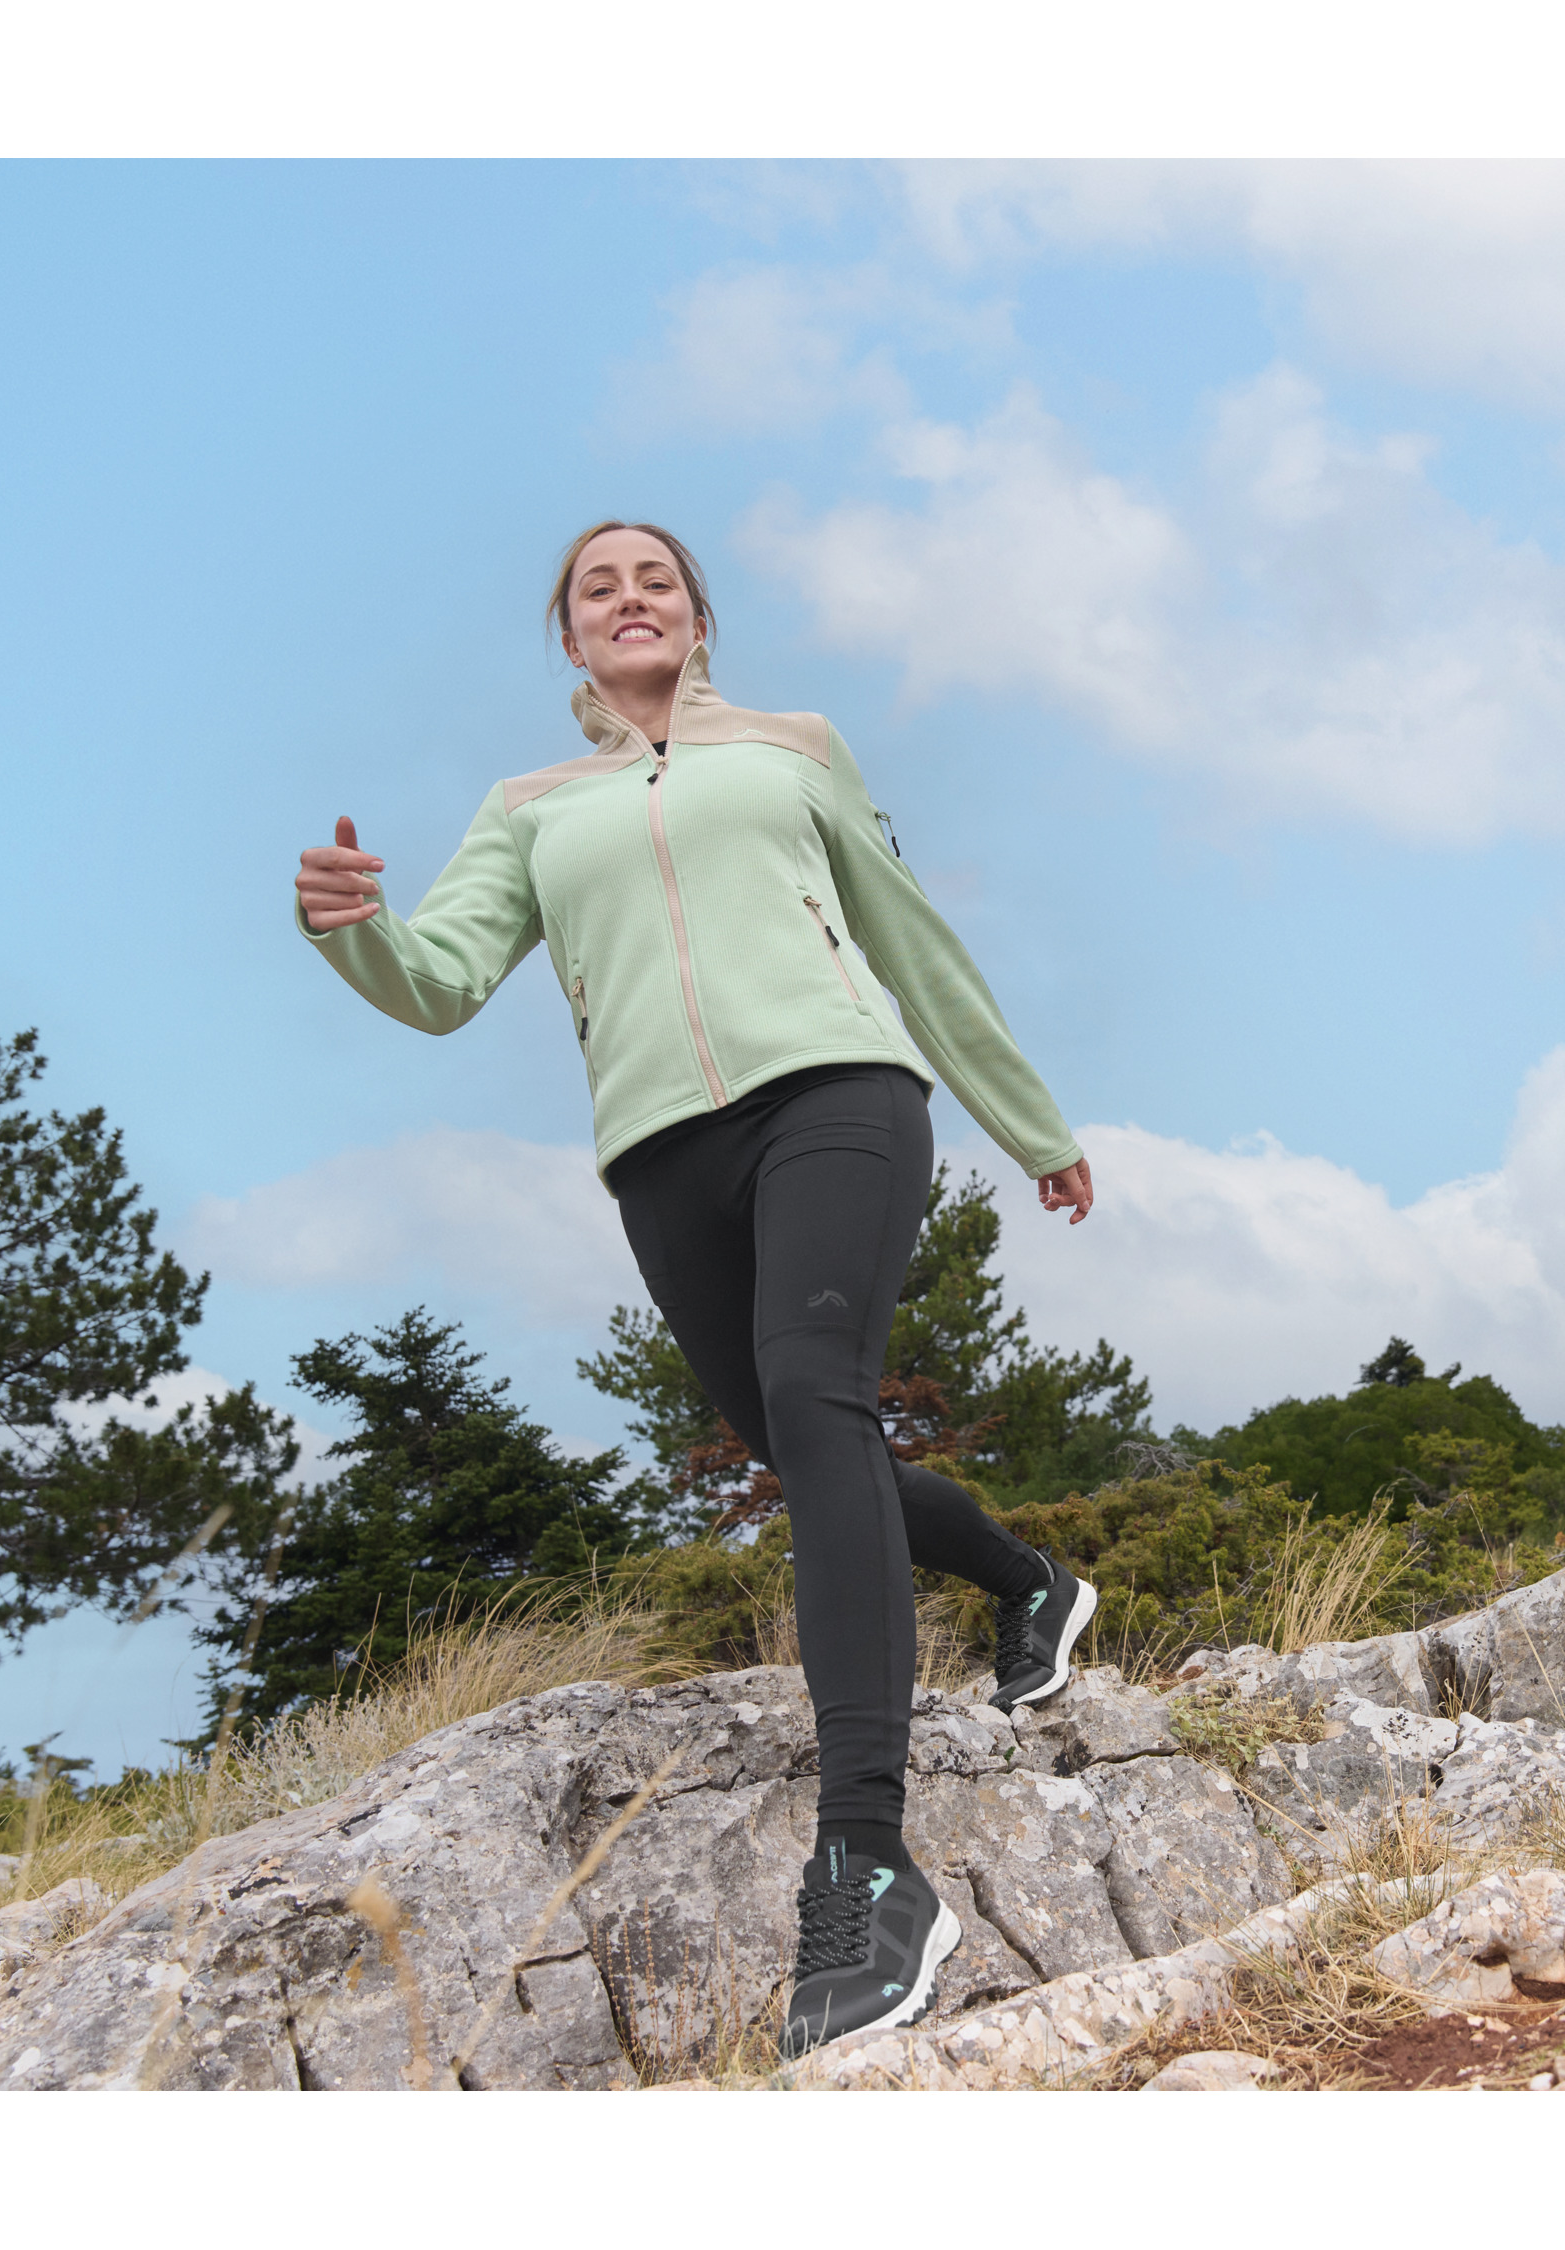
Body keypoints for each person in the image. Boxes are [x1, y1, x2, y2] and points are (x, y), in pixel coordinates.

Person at [291, 519, 1101, 2059]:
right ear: (573, 640)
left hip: (837, 1093)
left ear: (697, 615)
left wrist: (1028, 1118)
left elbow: (908, 937)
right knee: (811, 1448)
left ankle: (865, 1860)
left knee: (816, 1393)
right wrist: (354, 933)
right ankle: (1027, 1580)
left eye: (652, 575)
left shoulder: (794, 751)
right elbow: (443, 979)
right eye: (597, 586)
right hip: (662, 1151)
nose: (628, 596)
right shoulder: (530, 809)